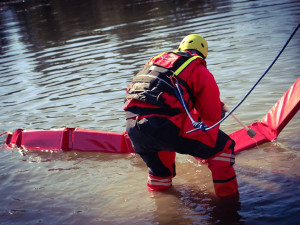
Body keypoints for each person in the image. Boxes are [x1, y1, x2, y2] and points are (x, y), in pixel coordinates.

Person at [124, 34, 239, 198]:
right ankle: (229, 206)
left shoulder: (154, 62)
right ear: (203, 54)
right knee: (223, 148)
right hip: (164, 126)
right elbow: (211, 117)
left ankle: (162, 209)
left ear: (180, 49)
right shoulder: (198, 68)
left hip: (133, 127)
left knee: (160, 173)